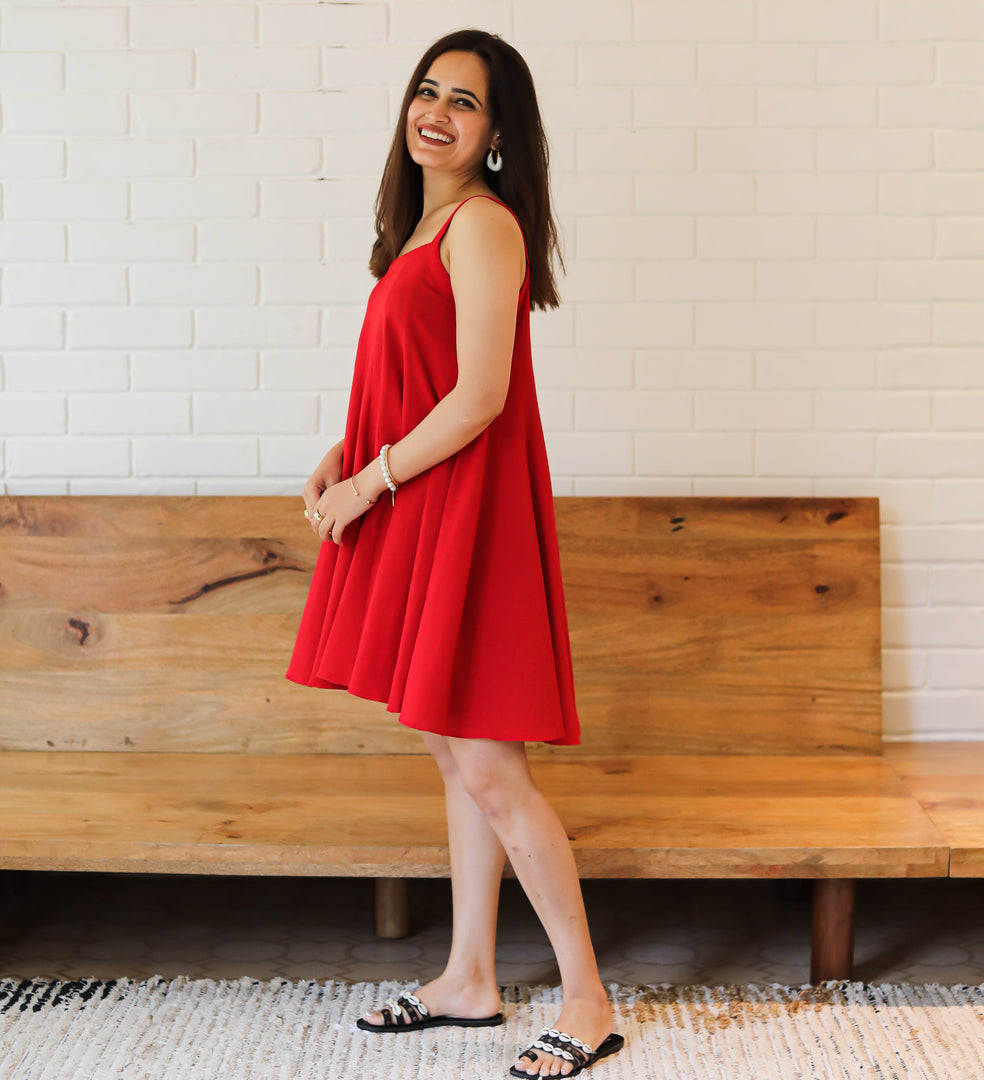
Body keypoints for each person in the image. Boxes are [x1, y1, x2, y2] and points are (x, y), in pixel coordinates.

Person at [285, 29, 623, 1079]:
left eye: (464, 102)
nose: (435, 111)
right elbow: (420, 373)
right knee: (451, 749)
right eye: (426, 91)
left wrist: (369, 480)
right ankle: (470, 977)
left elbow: (481, 398)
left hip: (460, 516)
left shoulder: (482, 227)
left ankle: (588, 1000)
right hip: (422, 506)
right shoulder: (425, 228)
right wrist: (344, 452)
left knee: (486, 763)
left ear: (497, 134)